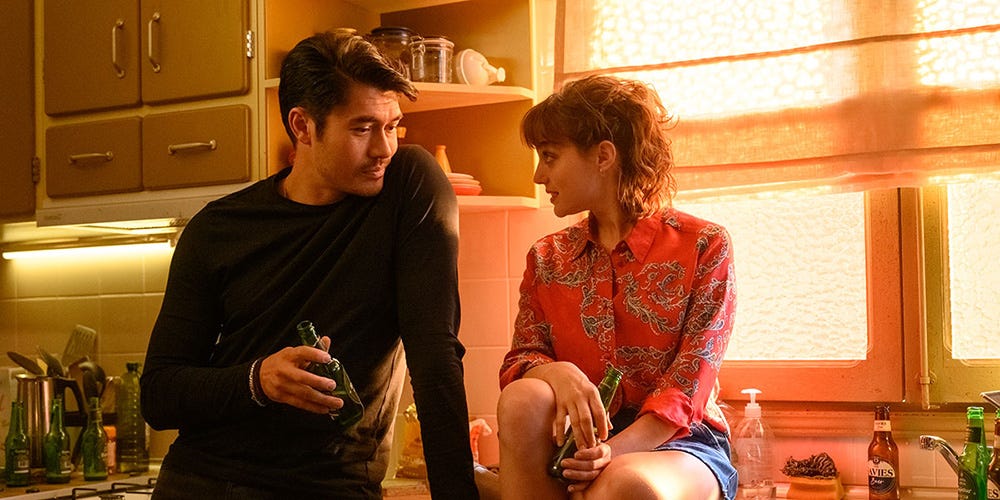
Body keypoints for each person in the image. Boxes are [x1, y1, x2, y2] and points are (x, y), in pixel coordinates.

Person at [141, 31, 479, 499]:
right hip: (198, 483)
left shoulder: (408, 185)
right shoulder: (217, 229)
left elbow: (435, 355)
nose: (383, 148)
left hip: (327, 488)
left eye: (392, 126)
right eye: (362, 128)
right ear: (302, 126)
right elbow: (159, 394)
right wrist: (258, 379)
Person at [495, 75, 738, 500]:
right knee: (522, 399)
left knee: (624, 484)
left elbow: (688, 384)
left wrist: (611, 452)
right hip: (575, 442)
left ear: (603, 156)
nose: (538, 175)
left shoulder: (704, 245)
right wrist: (559, 373)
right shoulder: (547, 257)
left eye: (550, 156)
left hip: (681, 441)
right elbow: (521, 360)